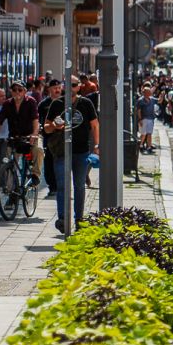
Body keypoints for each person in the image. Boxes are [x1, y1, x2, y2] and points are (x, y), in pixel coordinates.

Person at [42, 81, 99, 233]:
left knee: (79, 186)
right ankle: (62, 219)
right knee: (62, 186)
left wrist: (97, 146)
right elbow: (46, 128)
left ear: (79, 87)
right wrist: (54, 125)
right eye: (68, 84)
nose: (70, 87)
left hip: (81, 152)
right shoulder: (56, 104)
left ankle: (79, 219)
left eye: (74, 84)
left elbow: (95, 125)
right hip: (61, 152)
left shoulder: (86, 103)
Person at [0, 81, 43, 186]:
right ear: (11, 91)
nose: (17, 92)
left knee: (39, 150)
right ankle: (11, 192)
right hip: (14, 138)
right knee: (7, 162)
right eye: (14, 90)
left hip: (30, 136)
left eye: (20, 90)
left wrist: (34, 134)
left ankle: (35, 175)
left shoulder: (31, 102)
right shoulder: (7, 104)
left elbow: (35, 120)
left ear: (25, 91)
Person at [38, 79, 63, 196]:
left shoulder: (65, 102)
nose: (57, 90)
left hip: (63, 136)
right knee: (49, 162)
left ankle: (62, 186)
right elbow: (39, 120)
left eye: (59, 87)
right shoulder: (43, 104)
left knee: (62, 161)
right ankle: (52, 187)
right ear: (49, 90)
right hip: (49, 136)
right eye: (54, 88)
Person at [136, 84, 157, 154]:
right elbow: (138, 111)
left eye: (149, 92)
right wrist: (140, 119)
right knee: (143, 134)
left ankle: (149, 147)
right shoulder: (140, 100)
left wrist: (162, 96)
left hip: (151, 118)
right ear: (144, 93)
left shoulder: (152, 99)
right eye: (148, 92)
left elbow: (159, 101)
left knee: (149, 134)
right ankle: (140, 145)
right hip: (144, 119)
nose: (149, 93)